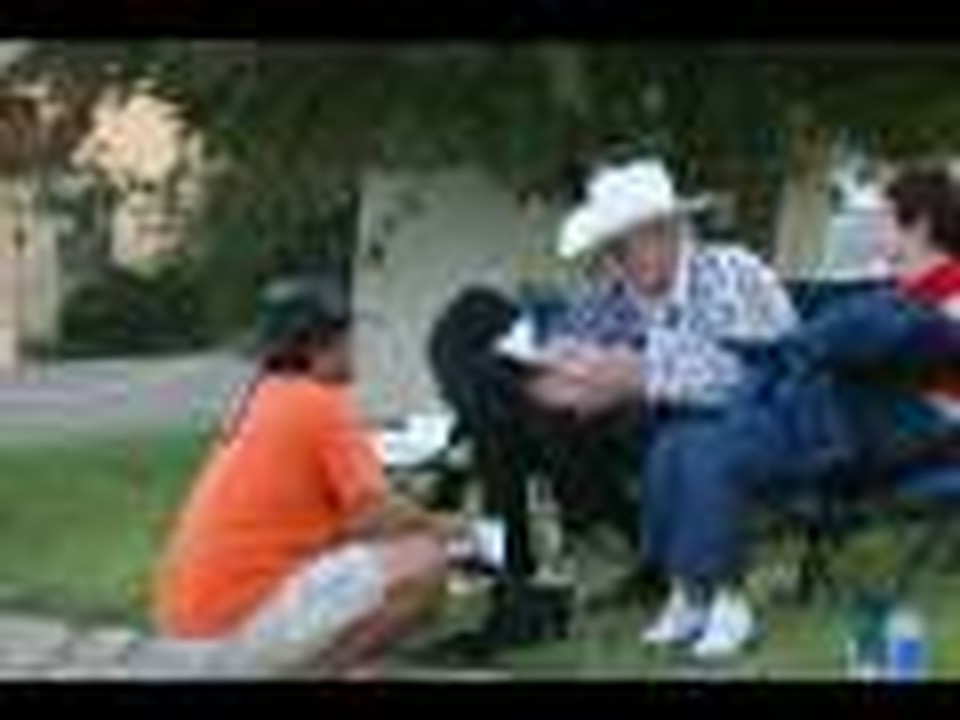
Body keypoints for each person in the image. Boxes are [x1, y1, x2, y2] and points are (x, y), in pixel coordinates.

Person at [427, 158, 797, 650]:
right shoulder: (617, 292)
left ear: (666, 231)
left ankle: (533, 555)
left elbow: (759, 373)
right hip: (626, 427)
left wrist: (640, 376)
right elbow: (571, 340)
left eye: (622, 247)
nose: (615, 261)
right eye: (610, 250)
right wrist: (557, 365)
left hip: (734, 420)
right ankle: (527, 554)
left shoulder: (728, 272)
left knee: (522, 405)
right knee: (481, 339)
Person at [639, 166, 960, 660]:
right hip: (841, 422)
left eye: (885, 219)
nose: (877, 231)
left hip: (908, 435)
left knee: (721, 449)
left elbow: (900, 349)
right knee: (683, 440)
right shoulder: (890, 291)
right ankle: (689, 591)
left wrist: (809, 349)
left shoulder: (951, 295)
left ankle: (728, 603)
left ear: (918, 225)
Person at [153, 276, 485, 677]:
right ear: (319, 345)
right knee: (425, 563)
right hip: (234, 633)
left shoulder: (263, 393)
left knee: (372, 560)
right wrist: (449, 526)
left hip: (187, 632)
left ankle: (330, 666)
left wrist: (399, 511)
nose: (354, 348)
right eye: (346, 337)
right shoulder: (319, 402)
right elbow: (374, 515)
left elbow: (345, 522)